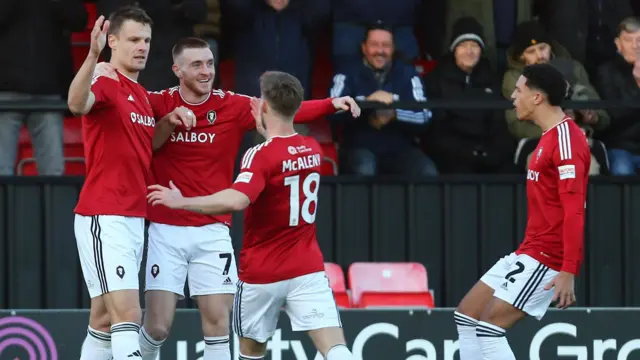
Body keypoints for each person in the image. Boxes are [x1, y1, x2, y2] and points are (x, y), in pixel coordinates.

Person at [93, 38, 359, 360]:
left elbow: (282, 110)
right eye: (196, 65)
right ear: (177, 70)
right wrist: (108, 74)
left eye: (209, 64)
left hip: (213, 230)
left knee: (218, 326)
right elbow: (124, 110)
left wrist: (332, 104)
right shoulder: (159, 103)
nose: (206, 71)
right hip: (166, 228)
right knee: (157, 328)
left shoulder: (231, 106)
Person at [453, 63, 590, 360]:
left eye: (519, 90)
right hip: (529, 250)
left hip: (547, 255)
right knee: (467, 317)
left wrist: (568, 269)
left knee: (490, 330)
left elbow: (575, 209)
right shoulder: (547, 138)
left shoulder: (567, 140)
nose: (513, 97)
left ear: (537, 97)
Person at [66, 5, 179, 360]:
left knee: (102, 319)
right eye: (133, 39)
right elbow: (76, 103)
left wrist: (170, 122)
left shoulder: (141, 94)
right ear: (112, 41)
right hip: (105, 214)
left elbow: (144, 145)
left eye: (146, 39)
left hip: (132, 215)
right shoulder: (104, 80)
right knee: (129, 314)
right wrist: (92, 56)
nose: (142, 46)